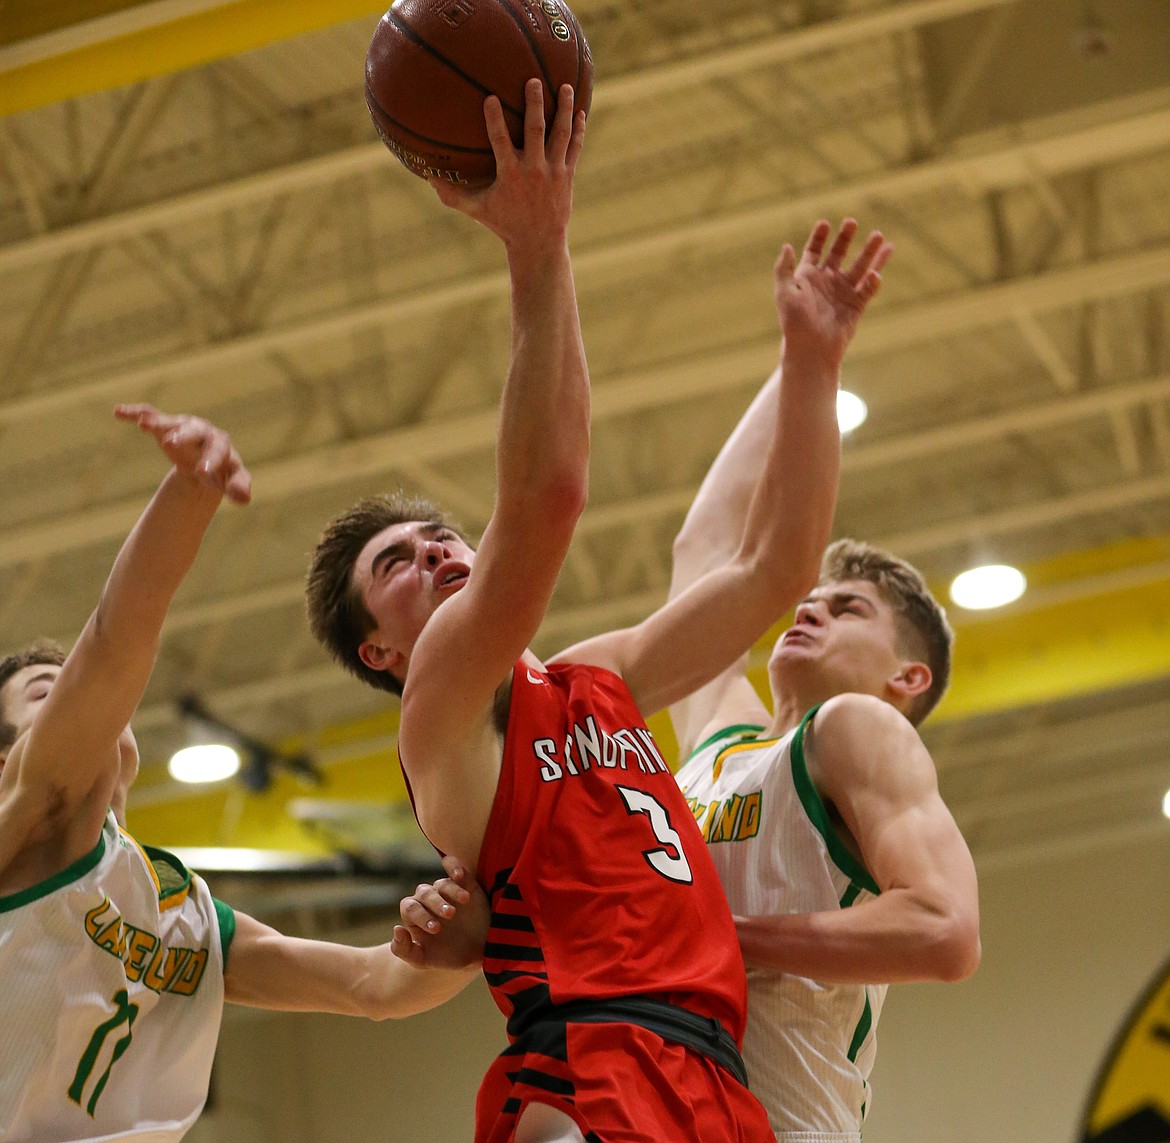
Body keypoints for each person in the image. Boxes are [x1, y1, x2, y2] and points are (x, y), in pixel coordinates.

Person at [306, 61, 892, 1137]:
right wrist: (539, 246)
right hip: (588, 1062)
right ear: (381, 654)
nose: (434, 552)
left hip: (712, 1079)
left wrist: (810, 368)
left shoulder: (597, 681)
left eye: (436, 534)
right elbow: (547, 500)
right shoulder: (439, 708)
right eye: (394, 564)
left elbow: (772, 569)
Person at [0, 405, 487, 1142]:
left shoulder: (180, 911)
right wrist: (190, 492)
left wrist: (480, 920)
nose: (74, 690)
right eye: (46, 690)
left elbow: (375, 985)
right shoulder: (22, 821)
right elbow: (113, 640)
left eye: (69, 678)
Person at [667, 358, 982, 1134]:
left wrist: (725, 938)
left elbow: (945, 928)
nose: (809, 609)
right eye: (809, 598)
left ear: (907, 676)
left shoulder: (855, 728)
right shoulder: (719, 739)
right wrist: (799, 360)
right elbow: (702, 549)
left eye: (846, 609)